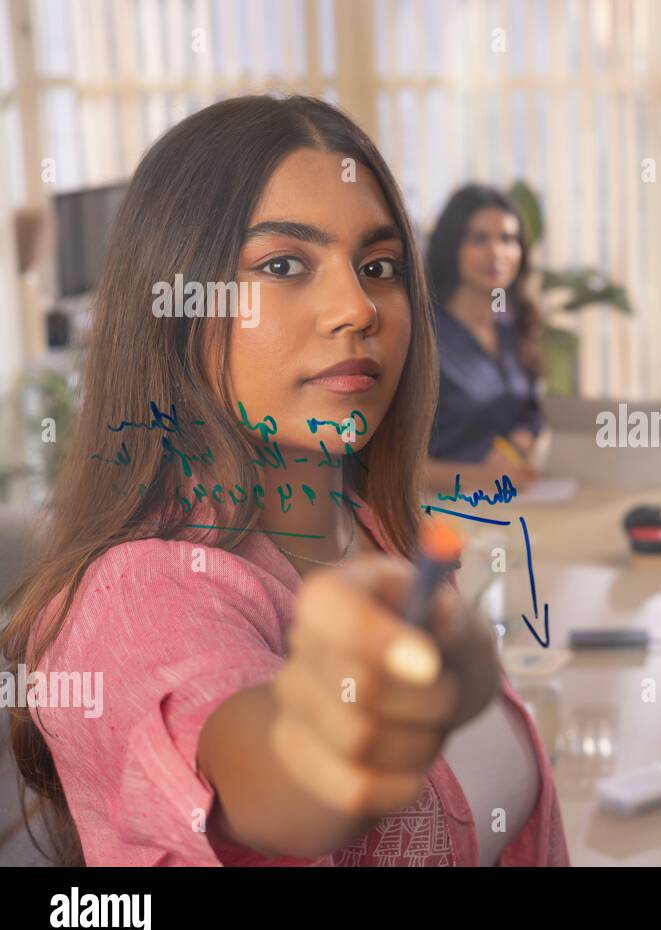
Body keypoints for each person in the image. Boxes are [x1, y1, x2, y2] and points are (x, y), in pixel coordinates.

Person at [0, 96, 568, 867]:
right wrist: (334, 731)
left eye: (378, 266)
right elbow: (279, 782)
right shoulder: (142, 589)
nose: (358, 306)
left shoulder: (364, 525)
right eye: (282, 265)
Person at [422, 185, 543, 492]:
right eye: (479, 239)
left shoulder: (513, 327)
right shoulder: (421, 338)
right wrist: (478, 478)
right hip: (438, 513)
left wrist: (517, 444)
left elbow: (529, 413)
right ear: (452, 246)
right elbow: (385, 464)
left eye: (507, 239)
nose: (497, 252)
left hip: (510, 504)